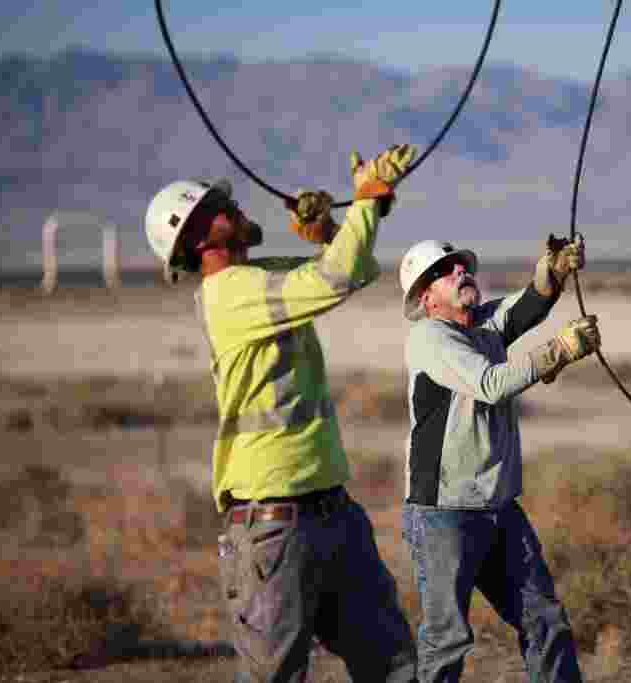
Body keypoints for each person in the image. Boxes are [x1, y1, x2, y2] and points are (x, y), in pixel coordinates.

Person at [144, 144, 419, 683]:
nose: (235, 206)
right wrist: (365, 201)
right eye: (220, 206)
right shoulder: (230, 293)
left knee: (394, 667)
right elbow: (333, 280)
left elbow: (352, 269)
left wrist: (335, 230)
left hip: (330, 512)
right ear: (200, 239)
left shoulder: (258, 278)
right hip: (275, 528)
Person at [398, 235, 601, 683]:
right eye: (442, 271)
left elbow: (527, 306)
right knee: (446, 640)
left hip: (500, 509)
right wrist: (559, 351)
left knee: (545, 622)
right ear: (425, 297)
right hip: (443, 513)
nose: (458, 272)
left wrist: (553, 274)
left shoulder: (483, 326)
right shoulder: (430, 337)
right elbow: (491, 383)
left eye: (459, 265)